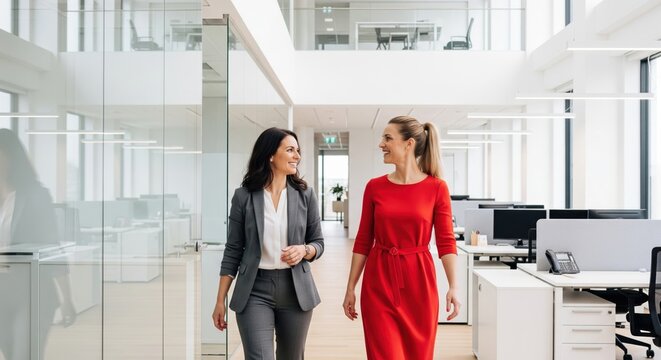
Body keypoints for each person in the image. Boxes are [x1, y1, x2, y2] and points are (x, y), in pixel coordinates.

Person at [342, 116, 460, 359]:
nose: (381, 144)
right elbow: (363, 240)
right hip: (379, 282)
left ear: (409, 144)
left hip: (420, 285)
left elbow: (446, 241)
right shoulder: (374, 187)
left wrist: (454, 286)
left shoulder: (437, 188)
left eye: (387, 138)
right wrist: (351, 287)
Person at [211, 127, 325, 360]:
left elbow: (318, 243)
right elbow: (233, 249)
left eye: (298, 151)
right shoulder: (243, 196)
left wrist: (305, 250)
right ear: (271, 155)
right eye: (290, 150)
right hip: (254, 289)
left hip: (295, 291)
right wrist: (220, 299)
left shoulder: (306, 195)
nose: (297, 156)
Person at [0, 129, 76, 360]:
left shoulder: (35, 195)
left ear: (12, 157)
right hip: (1, 293)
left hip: (31, 292)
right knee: (11, 354)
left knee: (25, 356)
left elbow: (51, 247)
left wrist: (67, 299)